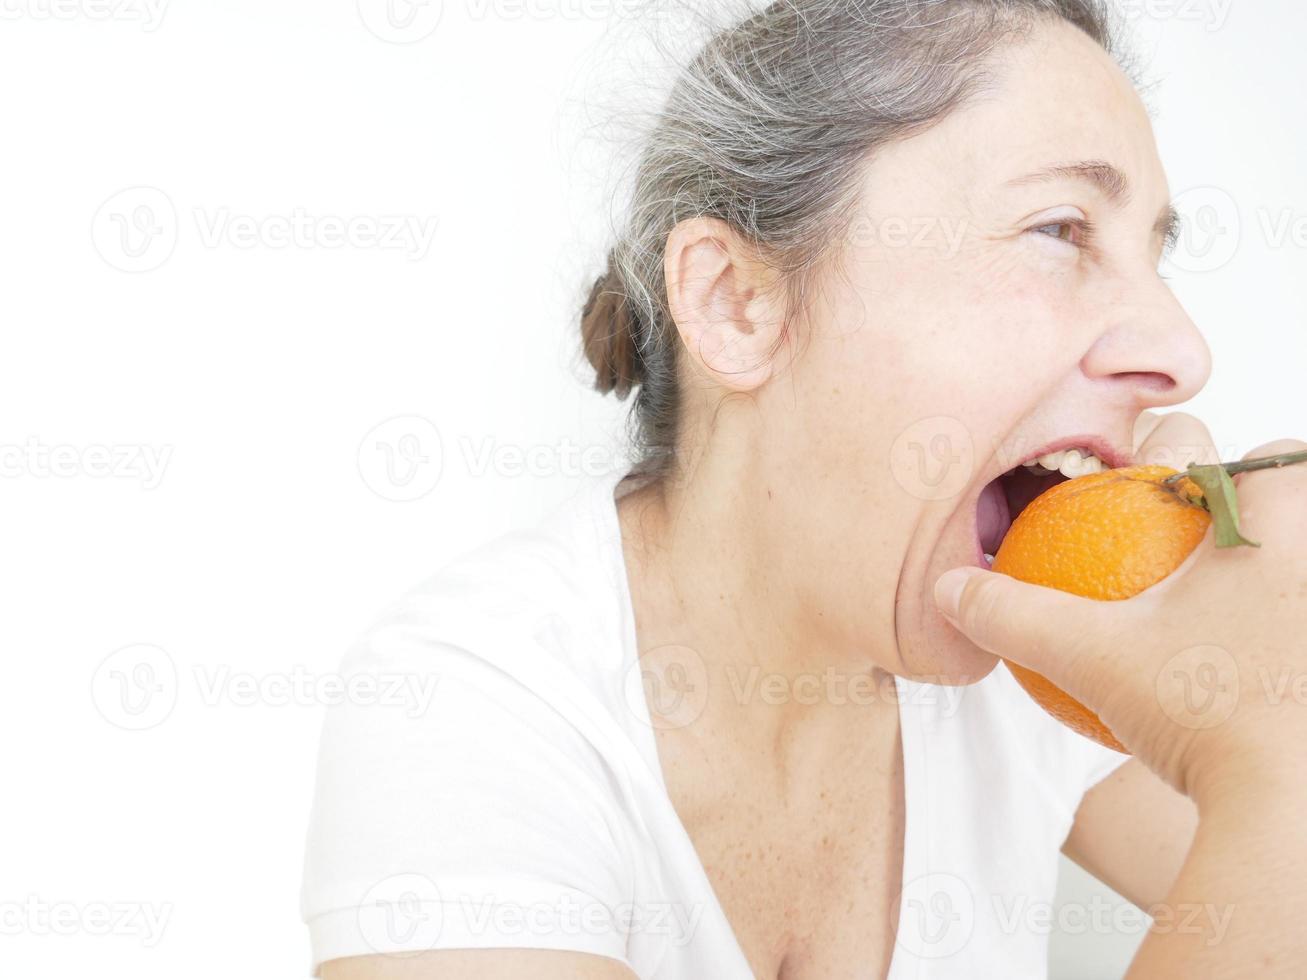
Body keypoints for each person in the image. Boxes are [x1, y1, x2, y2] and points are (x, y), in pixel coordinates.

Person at [300, 1, 1307, 976]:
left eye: (1153, 254)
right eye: (1058, 228)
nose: (1182, 351)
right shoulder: (470, 702)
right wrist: (1279, 784)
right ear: (737, 303)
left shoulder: (1033, 672)